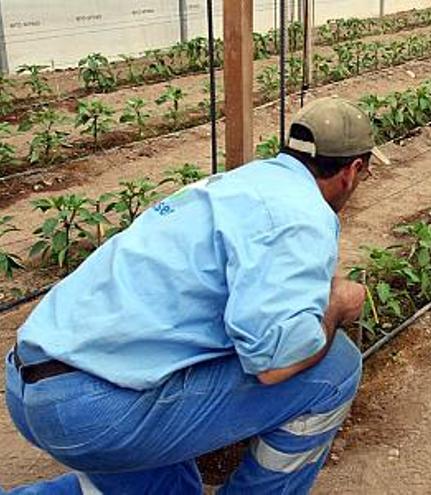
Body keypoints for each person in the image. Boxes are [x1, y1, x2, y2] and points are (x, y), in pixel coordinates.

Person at [4, 96, 390, 494]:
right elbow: (274, 364)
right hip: (97, 412)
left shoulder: (241, 182)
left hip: (29, 383)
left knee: (175, 488)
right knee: (333, 368)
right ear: (353, 170)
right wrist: (339, 303)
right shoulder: (302, 214)